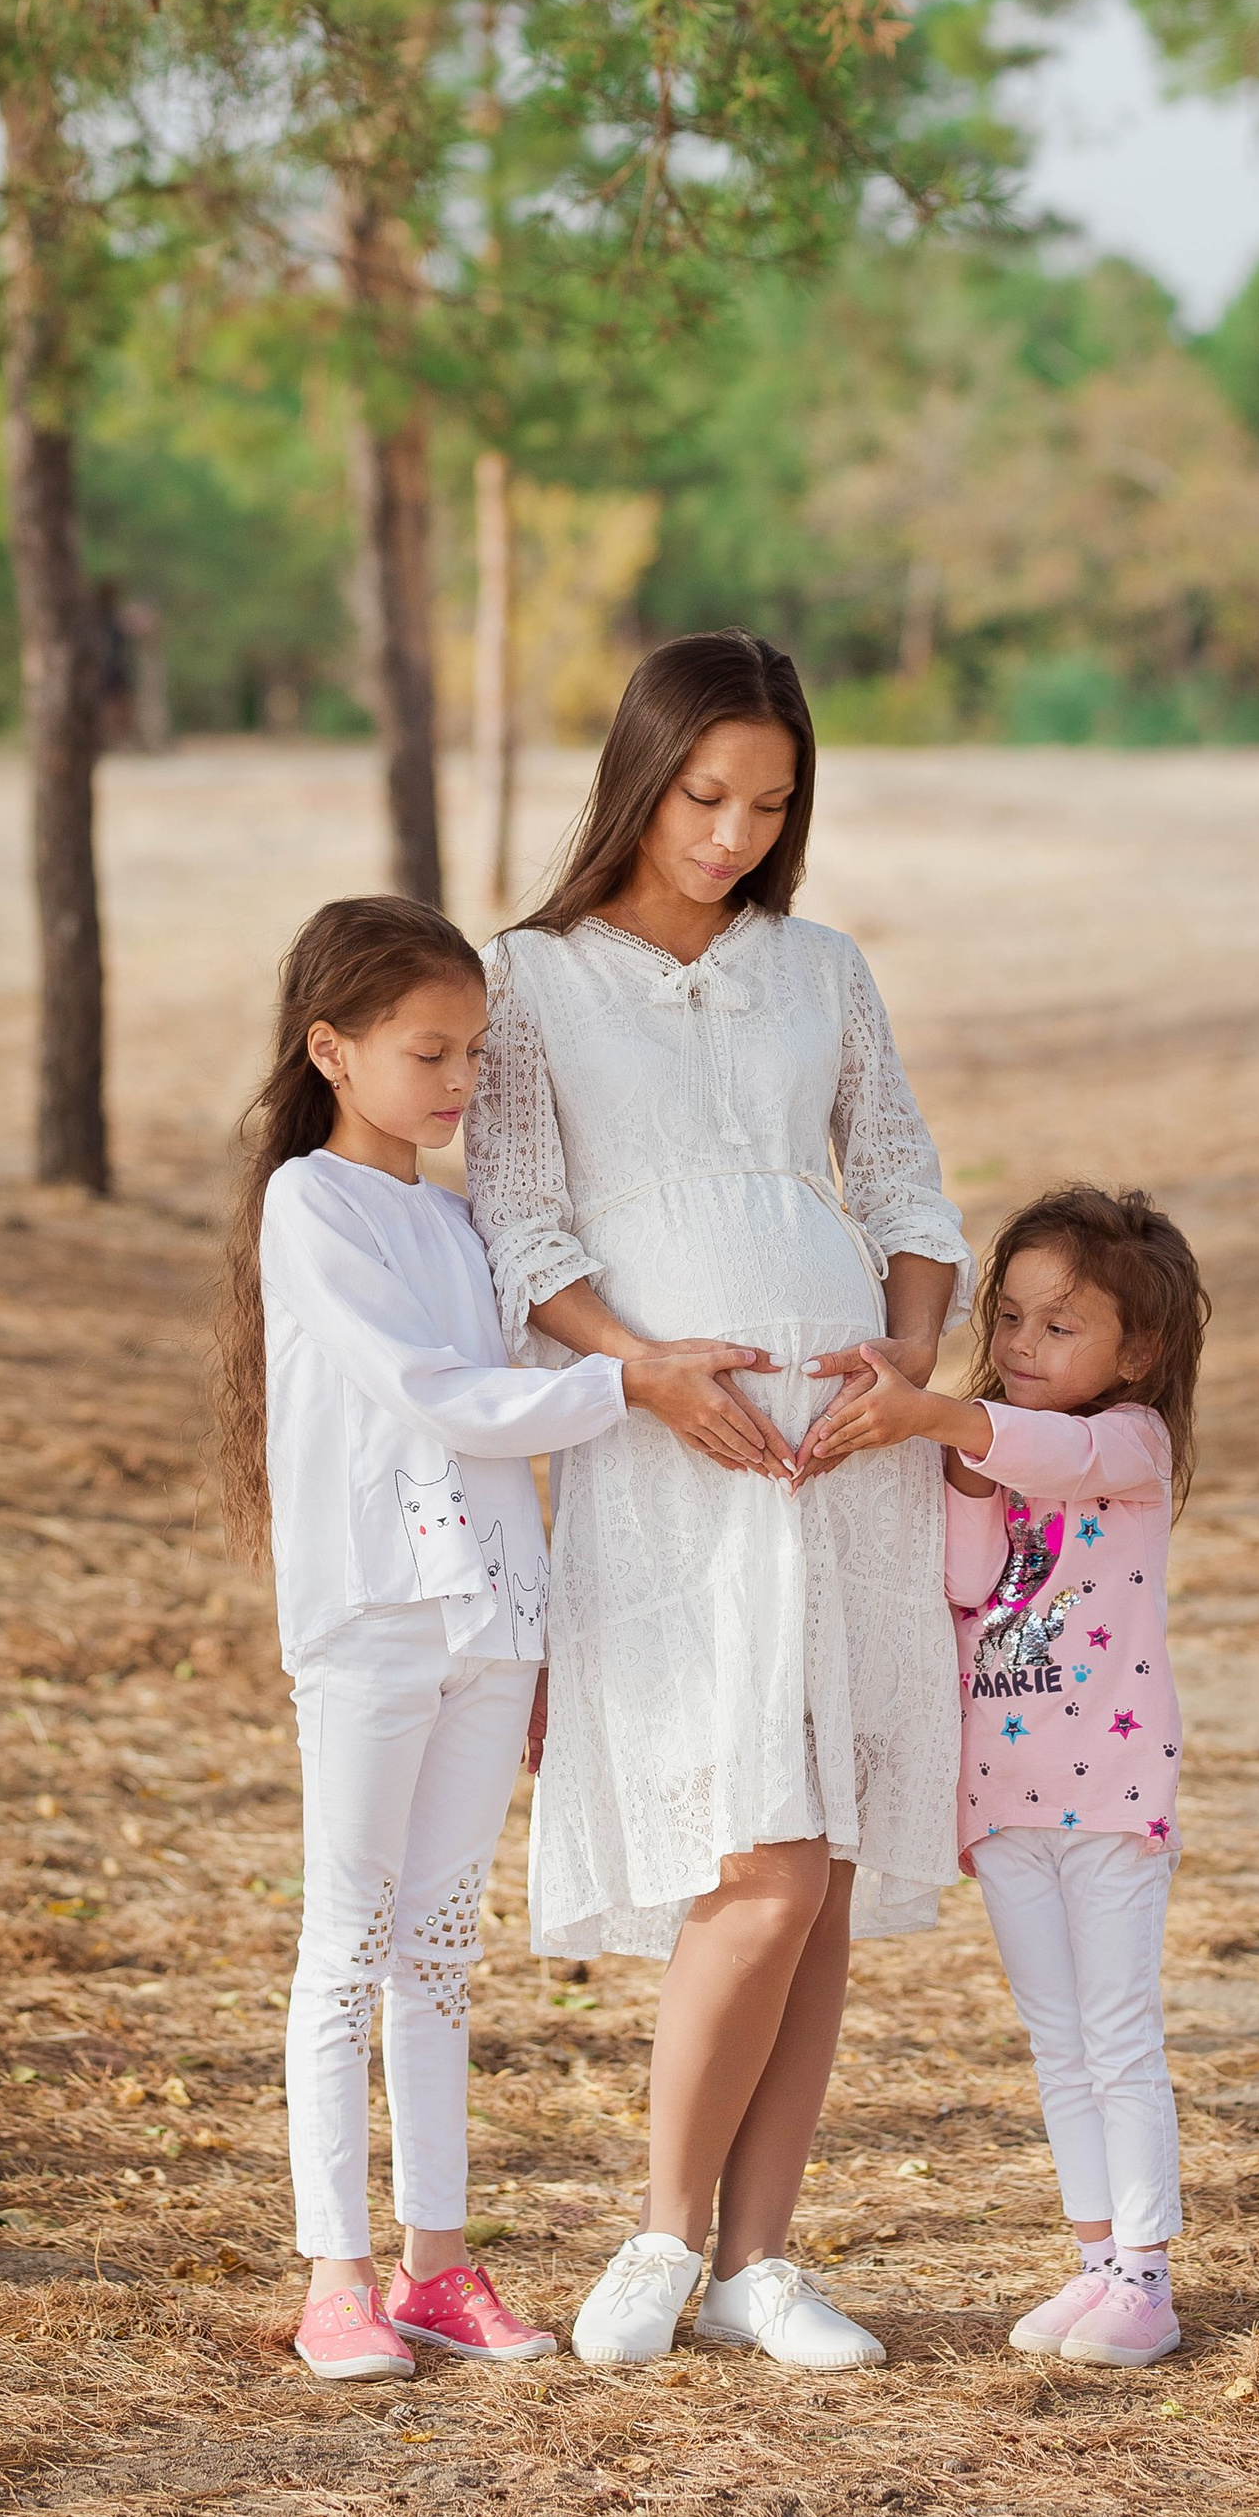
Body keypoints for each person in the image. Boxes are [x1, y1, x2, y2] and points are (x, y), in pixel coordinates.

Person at [464, 631, 970, 2373]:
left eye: (769, 805)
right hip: (672, 1461)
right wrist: (649, 1369)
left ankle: (763, 2263)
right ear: (641, 776)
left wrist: (906, 1379)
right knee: (749, 1857)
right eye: (704, 796)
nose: (735, 835)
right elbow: (522, 1229)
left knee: (815, 1865)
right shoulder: (528, 983)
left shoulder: (821, 969)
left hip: (842, 1465)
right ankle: (663, 2237)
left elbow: (905, 1183)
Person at [211, 893, 777, 2383]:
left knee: (439, 1949)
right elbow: (443, 1399)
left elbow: (515, 1411)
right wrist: (636, 1382)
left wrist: (533, 1624)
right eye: (428, 1050)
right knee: (347, 1942)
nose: (460, 1081)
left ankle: (438, 2263)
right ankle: (336, 2271)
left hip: (489, 1622)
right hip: (375, 1620)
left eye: (474, 1050)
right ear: (332, 1049)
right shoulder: (311, 1208)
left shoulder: (463, 1218)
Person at [803, 1182, 1207, 2370]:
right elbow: (970, 1581)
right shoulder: (983, 1447)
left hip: (1112, 1792)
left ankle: (1148, 2272)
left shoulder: (1131, 1444)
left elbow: (1055, 1450)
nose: (1022, 1346)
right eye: (1011, 1318)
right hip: (1007, 1794)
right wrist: (961, 1457)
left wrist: (940, 1419)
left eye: (1059, 1325)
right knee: (1053, 2033)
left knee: (1118, 2030)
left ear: (1136, 1348)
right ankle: (1095, 2260)